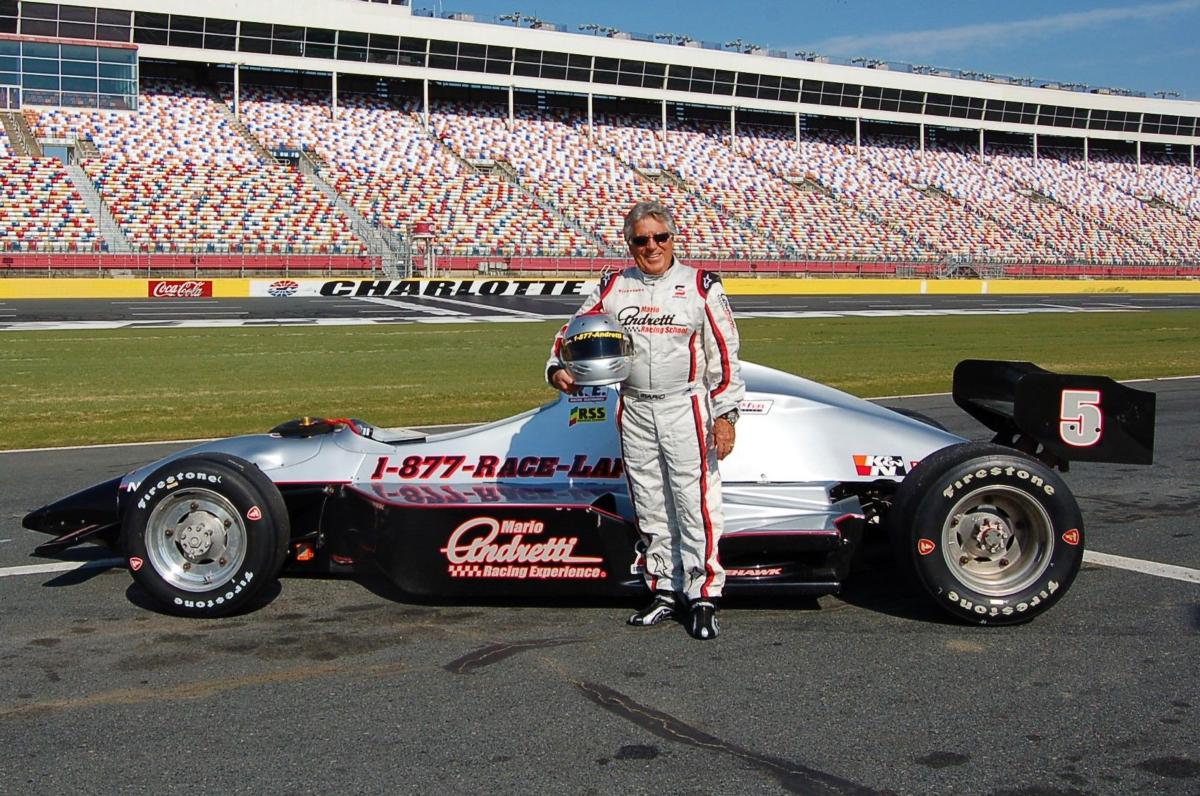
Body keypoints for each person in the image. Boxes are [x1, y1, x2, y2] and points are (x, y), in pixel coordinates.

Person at [546, 200, 745, 640]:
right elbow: (573, 331)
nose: (651, 246)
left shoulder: (700, 285)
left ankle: (703, 593)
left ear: (674, 238)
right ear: (629, 243)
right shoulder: (614, 284)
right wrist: (557, 365)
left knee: (695, 501)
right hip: (633, 404)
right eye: (641, 240)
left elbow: (725, 358)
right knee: (650, 501)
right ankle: (664, 588)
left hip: (686, 405)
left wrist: (726, 414)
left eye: (660, 237)